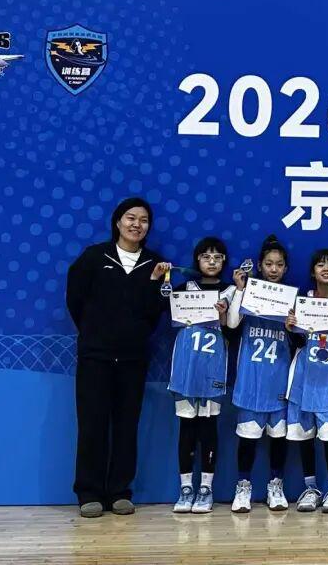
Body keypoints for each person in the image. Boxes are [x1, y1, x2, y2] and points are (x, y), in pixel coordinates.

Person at [66, 197, 168, 518]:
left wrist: (153, 285)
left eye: (144, 220)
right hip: (95, 357)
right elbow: (75, 300)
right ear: (117, 222)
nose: (137, 224)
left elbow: (156, 311)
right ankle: (89, 492)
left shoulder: (155, 264)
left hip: (133, 359)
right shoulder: (94, 257)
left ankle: (120, 491)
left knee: (126, 426)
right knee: (92, 424)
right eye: (131, 218)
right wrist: (95, 333)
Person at [285, 248, 328, 514]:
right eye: (320, 265)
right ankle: (311, 488)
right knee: (304, 436)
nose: (326, 269)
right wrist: (290, 327)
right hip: (303, 376)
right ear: (312, 272)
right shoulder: (301, 302)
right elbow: (297, 342)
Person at [226, 236, 294, 513]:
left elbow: (300, 339)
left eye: (279, 264)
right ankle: (243, 486)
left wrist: (292, 324)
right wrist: (241, 290)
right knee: (248, 439)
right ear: (260, 265)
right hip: (250, 380)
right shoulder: (247, 293)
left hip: (279, 380)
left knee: (278, 439)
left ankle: (275, 485)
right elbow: (232, 324)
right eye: (269, 264)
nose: (273, 269)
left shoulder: (292, 298)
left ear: (285, 268)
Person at [168, 237, 235, 514]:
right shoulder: (183, 290)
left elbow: (234, 332)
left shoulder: (231, 291)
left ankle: (206, 488)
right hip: (186, 369)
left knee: (208, 429)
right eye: (206, 256)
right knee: (187, 429)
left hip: (213, 370)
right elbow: (165, 314)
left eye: (218, 257)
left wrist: (223, 317)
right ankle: (185, 488)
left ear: (224, 261)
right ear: (197, 259)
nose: (212, 261)